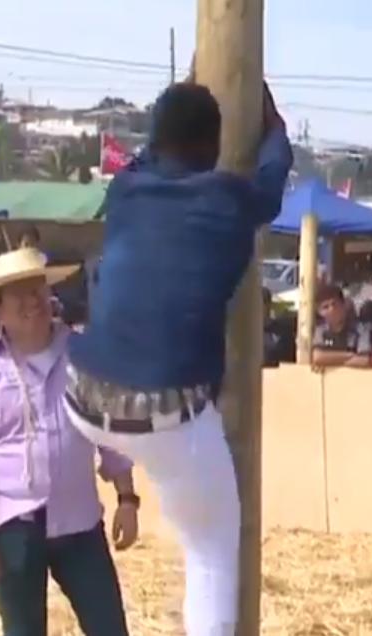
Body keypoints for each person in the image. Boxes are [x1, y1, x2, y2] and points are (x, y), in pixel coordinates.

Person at [63, 78, 293, 636]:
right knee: (212, 553)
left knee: (185, 500)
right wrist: (275, 127)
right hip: (165, 410)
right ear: (213, 148)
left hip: (82, 393)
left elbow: (152, 150)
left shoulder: (125, 188)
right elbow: (274, 173)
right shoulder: (231, 198)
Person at [0, 247, 136, 636]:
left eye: (36, 288)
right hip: (14, 527)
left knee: (109, 628)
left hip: (80, 521)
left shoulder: (84, 355)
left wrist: (127, 498)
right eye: (17, 293)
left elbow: (110, 429)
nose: (31, 301)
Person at [311, 283, 372, 370]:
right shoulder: (320, 331)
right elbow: (317, 357)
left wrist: (329, 361)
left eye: (334, 304)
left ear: (344, 305)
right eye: (325, 307)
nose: (332, 310)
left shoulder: (361, 330)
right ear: (320, 312)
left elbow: (364, 361)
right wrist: (350, 355)